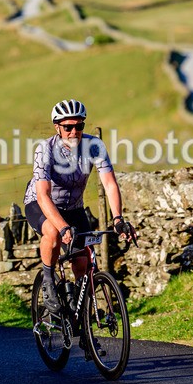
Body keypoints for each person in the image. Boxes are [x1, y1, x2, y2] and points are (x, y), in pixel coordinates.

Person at [23, 99, 137, 315]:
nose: (74, 132)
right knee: (53, 233)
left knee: (83, 262)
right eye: (68, 127)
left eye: (79, 126)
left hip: (74, 208)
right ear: (57, 127)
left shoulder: (94, 146)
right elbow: (43, 194)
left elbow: (110, 184)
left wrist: (118, 219)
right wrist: (62, 227)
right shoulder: (45, 149)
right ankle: (48, 281)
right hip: (41, 204)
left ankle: (79, 313)